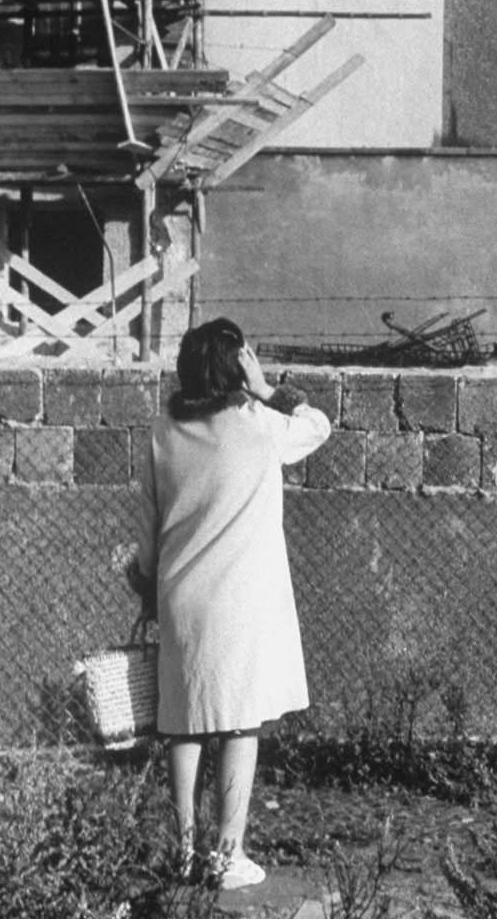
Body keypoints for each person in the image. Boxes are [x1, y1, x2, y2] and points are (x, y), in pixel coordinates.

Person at [130, 318, 330, 891]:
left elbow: (147, 525)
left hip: (180, 597)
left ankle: (186, 850)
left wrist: (145, 582)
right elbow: (317, 426)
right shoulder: (260, 425)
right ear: (237, 364)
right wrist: (268, 388)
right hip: (240, 600)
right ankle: (227, 854)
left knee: (182, 722)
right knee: (240, 723)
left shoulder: (161, 431)